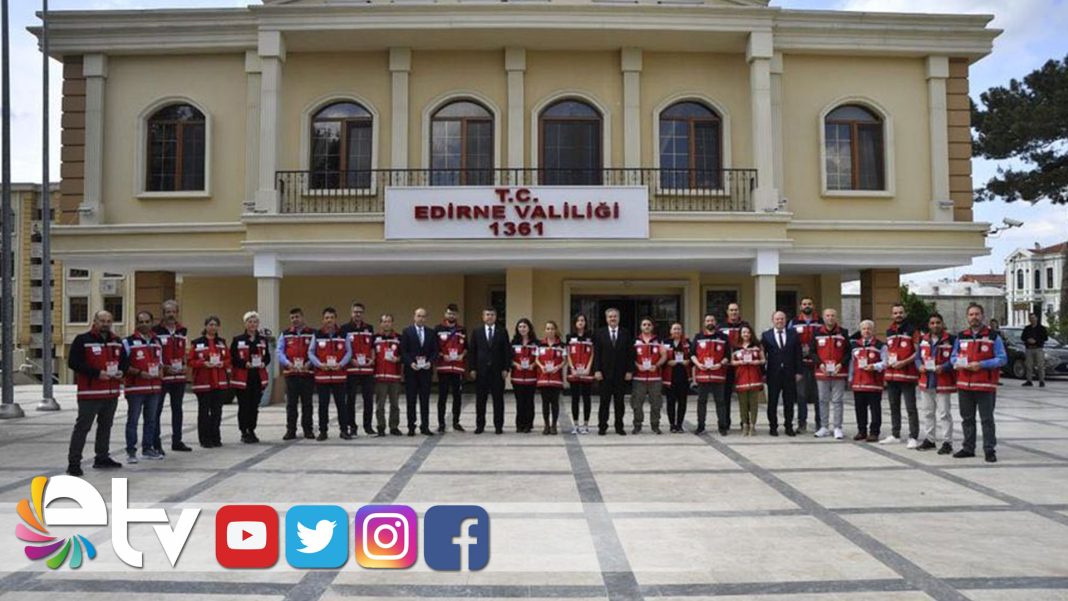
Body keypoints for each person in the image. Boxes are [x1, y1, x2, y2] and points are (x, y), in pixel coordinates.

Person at [67, 310, 126, 476]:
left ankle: (102, 457)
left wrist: (122, 371)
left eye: (108, 321)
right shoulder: (82, 340)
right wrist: (97, 373)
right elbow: (73, 363)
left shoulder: (117, 341)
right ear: (95, 321)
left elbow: (124, 361)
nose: (105, 324)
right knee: (82, 428)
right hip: (90, 393)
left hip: (111, 393)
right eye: (102, 320)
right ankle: (74, 463)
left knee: (106, 427)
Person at [951, 303, 1007, 463]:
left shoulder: (993, 336)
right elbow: (953, 357)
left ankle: (989, 450)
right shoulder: (961, 336)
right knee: (967, 418)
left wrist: (981, 364)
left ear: (982, 316)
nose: (974, 317)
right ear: (967, 317)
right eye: (971, 314)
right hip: (964, 384)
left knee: (987, 419)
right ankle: (968, 448)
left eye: (977, 314)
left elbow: (1002, 359)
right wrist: (958, 363)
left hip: (985, 385)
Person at [123, 310, 164, 463]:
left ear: (152, 322)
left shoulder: (157, 341)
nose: (144, 324)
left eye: (147, 321)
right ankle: (131, 452)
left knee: (151, 420)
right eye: (141, 322)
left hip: (154, 388)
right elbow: (123, 366)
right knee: (133, 420)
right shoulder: (127, 342)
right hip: (135, 388)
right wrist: (140, 373)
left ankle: (148, 449)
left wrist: (160, 371)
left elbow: (160, 362)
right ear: (136, 323)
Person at [153, 299, 191, 452]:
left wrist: (185, 364)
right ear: (163, 314)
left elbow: (185, 352)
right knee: (157, 410)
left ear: (177, 313)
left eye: (173, 312)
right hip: (163, 377)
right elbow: (153, 353)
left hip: (179, 378)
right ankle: (156, 443)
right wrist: (163, 367)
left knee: (177, 410)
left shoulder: (182, 331)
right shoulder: (155, 331)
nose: (171, 315)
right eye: (168, 312)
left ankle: (177, 441)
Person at [309, 307, 353, 441]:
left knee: (341, 404)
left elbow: (349, 352)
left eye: (332, 317)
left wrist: (341, 364)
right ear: (323, 319)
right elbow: (310, 352)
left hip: (339, 375)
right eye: (327, 318)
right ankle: (323, 431)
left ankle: (344, 430)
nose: (329, 320)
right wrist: (319, 364)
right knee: (323, 405)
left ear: (335, 319)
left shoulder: (343, 334)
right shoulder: (317, 334)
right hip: (322, 376)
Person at [916, 312, 956, 454]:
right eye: (932, 323)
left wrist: (944, 367)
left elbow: (954, 358)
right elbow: (917, 357)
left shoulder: (951, 339)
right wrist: (919, 366)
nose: (935, 325)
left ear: (942, 323)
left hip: (943, 381)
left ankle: (947, 442)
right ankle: (930, 440)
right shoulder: (923, 339)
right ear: (928, 325)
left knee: (944, 413)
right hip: (926, 381)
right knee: (928, 413)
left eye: (938, 322)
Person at [188, 315, 230, 448]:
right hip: (203, 383)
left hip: (219, 382)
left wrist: (223, 363)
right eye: (210, 324)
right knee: (204, 412)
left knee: (217, 412)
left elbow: (229, 359)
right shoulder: (197, 343)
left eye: (215, 325)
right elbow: (190, 361)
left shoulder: (222, 342)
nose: (213, 327)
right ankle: (204, 439)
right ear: (205, 326)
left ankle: (215, 437)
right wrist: (203, 363)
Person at [882, 303, 920, 448]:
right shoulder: (889, 331)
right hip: (892, 375)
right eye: (895, 313)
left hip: (907, 375)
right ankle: (895, 434)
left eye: (900, 312)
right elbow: (888, 351)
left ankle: (913, 436)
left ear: (905, 313)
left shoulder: (912, 330)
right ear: (892, 315)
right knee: (893, 406)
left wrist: (904, 362)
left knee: (910, 407)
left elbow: (918, 352)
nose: (898, 315)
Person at [469, 307, 510, 434]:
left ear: (495, 317)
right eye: (487, 314)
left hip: (498, 371)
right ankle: (480, 425)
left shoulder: (502, 331)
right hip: (481, 372)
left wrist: (506, 368)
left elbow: (506, 351)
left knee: (498, 400)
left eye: (492, 314)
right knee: (480, 400)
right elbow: (472, 351)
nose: (490, 317)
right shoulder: (477, 331)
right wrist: (472, 368)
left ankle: (498, 426)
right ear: (483, 317)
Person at [231, 311, 270, 444]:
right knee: (244, 405)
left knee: (254, 406)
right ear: (245, 323)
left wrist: (264, 363)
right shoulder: (238, 339)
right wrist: (244, 364)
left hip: (257, 378)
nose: (253, 324)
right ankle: (244, 431)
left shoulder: (262, 340)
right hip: (243, 378)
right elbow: (233, 358)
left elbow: (267, 357)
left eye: (255, 322)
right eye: (250, 321)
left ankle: (252, 429)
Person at [277, 308, 316, 440]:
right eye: (292, 317)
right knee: (291, 404)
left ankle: (308, 430)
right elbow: (279, 351)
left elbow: (316, 351)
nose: (295, 320)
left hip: (307, 373)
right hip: (291, 374)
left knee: (307, 404)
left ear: (302, 317)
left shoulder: (312, 333)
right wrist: (288, 363)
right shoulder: (285, 334)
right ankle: (291, 430)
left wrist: (309, 363)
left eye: (297, 317)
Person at [761, 311, 802, 437]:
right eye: (777, 319)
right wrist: (763, 373)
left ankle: (789, 426)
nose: (780, 321)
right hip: (773, 374)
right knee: (772, 402)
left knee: (789, 402)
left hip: (790, 373)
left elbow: (798, 354)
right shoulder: (766, 335)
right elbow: (762, 355)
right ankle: (773, 427)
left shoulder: (793, 334)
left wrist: (799, 371)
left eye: (782, 319)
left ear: (785, 320)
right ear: (773, 320)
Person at [594, 307, 633, 436]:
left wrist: (629, 371)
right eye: (610, 316)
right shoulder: (599, 333)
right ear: (606, 319)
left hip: (621, 375)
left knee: (619, 403)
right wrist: (597, 370)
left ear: (619, 318)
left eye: (615, 316)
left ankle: (619, 427)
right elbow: (597, 354)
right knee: (604, 402)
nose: (613, 318)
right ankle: (602, 426)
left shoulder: (625, 333)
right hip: (604, 374)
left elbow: (630, 354)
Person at [813, 309, 850, 440]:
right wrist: (820, 364)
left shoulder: (843, 332)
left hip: (838, 372)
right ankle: (824, 427)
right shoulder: (817, 332)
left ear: (836, 317)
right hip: (822, 372)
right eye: (828, 316)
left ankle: (837, 427)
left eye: (833, 315)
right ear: (823, 318)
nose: (830, 318)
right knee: (822, 400)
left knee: (837, 401)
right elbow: (812, 351)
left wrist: (841, 364)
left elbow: (848, 352)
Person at [401, 307, 438, 436]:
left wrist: (430, 362)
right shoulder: (407, 331)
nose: (421, 318)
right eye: (419, 316)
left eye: (423, 316)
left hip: (425, 371)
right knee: (411, 400)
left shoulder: (431, 332)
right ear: (414, 317)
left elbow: (435, 351)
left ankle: (425, 426)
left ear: (426, 318)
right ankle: (411, 426)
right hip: (411, 371)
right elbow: (403, 351)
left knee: (425, 400)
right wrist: (411, 363)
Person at [341, 301, 376, 437]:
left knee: (368, 399)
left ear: (363, 314)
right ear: (351, 313)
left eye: (360, 312)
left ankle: (368, 427)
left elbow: (372, 347)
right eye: (355, 312)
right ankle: (352, 427)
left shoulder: (369, 328)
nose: (358, 314)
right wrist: (351, 360)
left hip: (367, 370)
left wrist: (372, 359)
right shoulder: (345, 328)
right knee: (350, 399)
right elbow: (343, 349)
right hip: (351, 369)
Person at [691, 313, 730, 435]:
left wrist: (720, 364)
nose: (710, 322)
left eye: (712, 320)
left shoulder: (723, 337)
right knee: (701, 402)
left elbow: (727, 356)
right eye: (708, 321)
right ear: (704, 323)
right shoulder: (698, 337)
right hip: (702, 375)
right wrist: (698, 364)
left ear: (715, 322)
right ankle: (700, 426)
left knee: (720, 402)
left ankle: (722, 427)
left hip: (718, 374)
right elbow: (692, 354)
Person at [849, 320, 887, 442]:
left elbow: (885, 362)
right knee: (860, 409)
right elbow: (852, 363)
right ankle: (862, 431)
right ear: (860, 331)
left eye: (869, 328)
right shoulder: (855, 345)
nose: (866, 331)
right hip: (858, 383)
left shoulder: (881, 346)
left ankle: (874, 432)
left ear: (873, 330)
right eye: (864, 329)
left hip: (874, 383)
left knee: (875, 409)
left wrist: (874, 366)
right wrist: (850, 378)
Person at [789, 297, 822, 433]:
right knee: (801, 395)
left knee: (818, 395)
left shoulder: (820, 322)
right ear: (800, 307)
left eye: (809, 304)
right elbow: (789, 341)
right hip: (800, 364)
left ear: (813, 306)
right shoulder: (794, 322)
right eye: (804, 304)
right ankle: (802, 424)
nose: (807, 306)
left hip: (817, 364)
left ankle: (820, 423)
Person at [434, 303, 468, 432]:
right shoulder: (438, 328)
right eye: (449, 313)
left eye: (453, 314)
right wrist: (442, 355)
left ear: (457, 315)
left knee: (457, 396)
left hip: (457, 368)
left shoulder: (462, 330)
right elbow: (434, 347)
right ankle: (441, 423)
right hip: (444, 367)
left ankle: (456, 421)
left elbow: (466, 348)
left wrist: (461, 355)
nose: (451, 315)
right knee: (442, 396)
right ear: (445, 314)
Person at [631, 317, 666, 434]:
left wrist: (657, 365)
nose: (647, 326)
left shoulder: (658, 340)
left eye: (649, 324)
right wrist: (637, 366)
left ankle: (655, 425)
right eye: (644, 324)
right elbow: (630, 357)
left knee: (656, 403)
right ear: (641, 327)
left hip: (655, 377)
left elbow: (664, 355)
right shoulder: (635, 341)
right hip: (639, 378)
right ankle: (637, 425)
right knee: (637, 403)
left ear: (652, 327)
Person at [372, 313, 404, 436]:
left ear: (392, 323)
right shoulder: (375, 338)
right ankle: (381, 426)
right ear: (380, 323)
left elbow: (404, 355)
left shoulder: (399, 338)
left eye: (389, 321)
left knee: (395, 404)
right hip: (380, 376)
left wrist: (398, 359)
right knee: (380, 405)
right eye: (384, 321)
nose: (386, 324)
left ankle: (394, 426)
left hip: (394, 376)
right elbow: (371, 354)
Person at [731, 325, 765, 436]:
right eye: (744, 332)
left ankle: (753, 426)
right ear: (740, 334)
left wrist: (757, 362)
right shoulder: (736, 347)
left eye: (748, 332)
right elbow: (732, 362)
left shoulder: (757, 346)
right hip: (741, 377)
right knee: (743, 404)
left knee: (754, 404)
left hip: (754, 377)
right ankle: (745, 425)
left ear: (751, 334)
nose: (746, 334)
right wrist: (740, 362)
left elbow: (763, 360)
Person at [719, 302, 751, 411]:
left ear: (739, 311)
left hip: (742, 365)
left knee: (744, 394)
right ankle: (725, 420)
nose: (734, 312)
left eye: (736, 310)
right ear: (727, 312)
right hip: (727, 366)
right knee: (725, 395)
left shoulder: (745, 326)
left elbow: (751, 341)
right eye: (731, 310)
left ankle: (745, 419)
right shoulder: (721, 327)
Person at [536, 321, 566, 435]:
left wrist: (557, 367)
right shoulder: (540, 344)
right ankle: (546, 425)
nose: (550, 331)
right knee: (545, 403)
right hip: (543, 378)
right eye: (548, 328)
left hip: (555, 378)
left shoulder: (561, 345)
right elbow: (536, 359)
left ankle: (554, 425)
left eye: (552, 328)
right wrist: (541, 367)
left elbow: (565, 360)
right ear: (545, 330)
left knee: (554, 403)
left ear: (556, 330)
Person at [566, 314, 594, 434]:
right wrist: (572, 368)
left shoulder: (591, 336)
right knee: (575, 399)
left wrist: (588, 368)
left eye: (582, 320)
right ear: (575, 323)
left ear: (585, 322)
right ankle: (576, 425)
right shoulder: (570, 336)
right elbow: (567, 353)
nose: (580, 322)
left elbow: (593, 353)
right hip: (574, 371)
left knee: (587, 399)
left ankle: (586, 425)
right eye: (578, 320)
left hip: (587, 371)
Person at [510, 318, 539, 434]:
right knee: (520, 402)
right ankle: (519, 424)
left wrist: (533, 364)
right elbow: (509, 358)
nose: (522, 329)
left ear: (529, 328)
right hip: (517, 377)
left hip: (531, 377)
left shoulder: (536, 343)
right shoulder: (513, 343)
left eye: (524, 327)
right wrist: (516, 364)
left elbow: (539, 358)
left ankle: (528, 424)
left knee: (529, 402)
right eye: (520, 327)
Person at [663, 322, 691, 433]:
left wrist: (688, 361)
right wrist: (667, 362)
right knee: (670, 402)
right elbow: (659, 358)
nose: (677, 331)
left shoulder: (687, 343)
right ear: (670, 331)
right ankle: (672, 425)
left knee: (682, 402)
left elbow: (693, 357)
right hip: (670, 377)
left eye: (679, 329)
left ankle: (679, 424)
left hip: (683, 377)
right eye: (674, 329)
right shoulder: (665, 343)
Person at [1022, 313, 1049, 388]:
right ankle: (1029, 380)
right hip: (1029, 348)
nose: (1032, 319)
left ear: (1036, 318)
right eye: (1030, 318)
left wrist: (1036, 340)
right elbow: (1022, 337)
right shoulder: (1027, 328)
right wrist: (1028, 340)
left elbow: (1045, 338)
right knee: (1029, 365)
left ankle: (1041, 381)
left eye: (1033, 318)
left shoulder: (1042, 328)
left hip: (1038, 348)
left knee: (1040, 365)